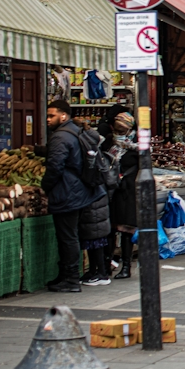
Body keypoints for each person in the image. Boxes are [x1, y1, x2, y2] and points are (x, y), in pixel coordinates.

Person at [40, 99, 104, 292]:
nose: (48, 119)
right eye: (47, 116)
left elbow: (55, 166)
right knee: (71, 235)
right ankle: (66, 276)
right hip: (78, 190)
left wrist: (45, 186)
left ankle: (70, 279)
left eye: (52, 116)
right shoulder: (74, 131)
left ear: (63, 116)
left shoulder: (60, 137)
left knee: (67, 236)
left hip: (67, 192)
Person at [102, 111, 140, 280]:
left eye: (122, 129)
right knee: (109, 229)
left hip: (127, 190)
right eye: (117, 128)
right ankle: (107, 264)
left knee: (126, 230)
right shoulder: (108, 142)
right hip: (110, 189)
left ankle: (126, 266)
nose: (119, 132)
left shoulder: (137, 145)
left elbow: (144, 165)